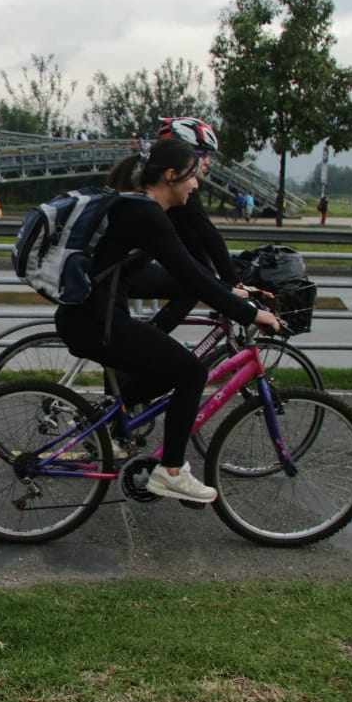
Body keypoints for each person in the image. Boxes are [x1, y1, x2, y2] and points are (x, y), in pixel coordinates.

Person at [57, 137, 281, 503]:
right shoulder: (145, 214)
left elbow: (191, 269)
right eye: (192, 177)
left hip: (92, 318)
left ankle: (109, 417)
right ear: (172, 176)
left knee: (164, 371)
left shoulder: (139, 209)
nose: (196, 185)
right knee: (190, 372)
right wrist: (252, 313)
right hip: (98, 323)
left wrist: (228, 291)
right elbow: (190, 276)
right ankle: (172, 472)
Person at [107, 117, 244, 333]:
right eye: (202, 154)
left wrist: (222, 287)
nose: (208, 161)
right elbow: (208, 237)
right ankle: (149, 344)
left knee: (197, 283)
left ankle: (146, 345)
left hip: (119, 270)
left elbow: (193, 248)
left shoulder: (161, 191)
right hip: (113, 274)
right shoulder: (164, 196)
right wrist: (232, 286)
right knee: (192, 287)